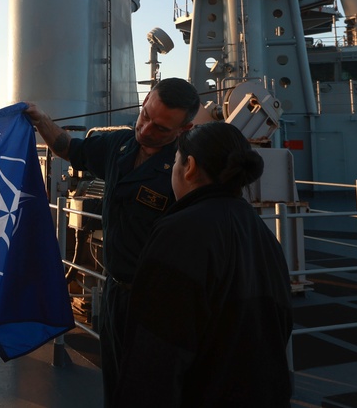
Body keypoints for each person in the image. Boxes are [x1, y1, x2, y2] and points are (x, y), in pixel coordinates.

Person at [25, 77, 200, 406]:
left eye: (161, 128)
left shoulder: (186, 169)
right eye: (145, 115)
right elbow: (68, 147)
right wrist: (40, 119)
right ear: (145, 100)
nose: (146, 130)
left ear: (185, 128)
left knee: (152, 391)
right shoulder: (120, 145)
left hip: (161, 302)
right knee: (116, 381)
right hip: (116, 291)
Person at [115, 122, 293, 407]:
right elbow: (279, 326)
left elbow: (155, 351)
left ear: (190, 167)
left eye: (175, 161)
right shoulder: (262, 233)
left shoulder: (179, 232)